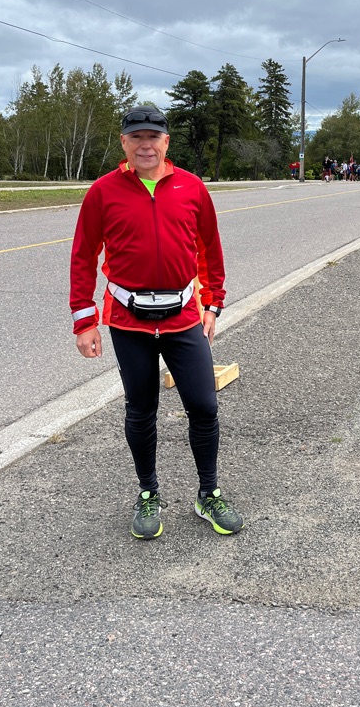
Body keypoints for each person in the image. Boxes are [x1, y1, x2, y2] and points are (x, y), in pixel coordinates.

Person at [69, 106, 243, 541]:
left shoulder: (192, 187)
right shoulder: (103, 192)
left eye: (153, 137)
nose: (145, 145)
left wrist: (213, 304)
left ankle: (208, 493)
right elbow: (83, 256)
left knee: (203, 406)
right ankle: (148, 493)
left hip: (183, 318)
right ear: (124, 142)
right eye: (136, 137)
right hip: (129, 322)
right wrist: (85, 320)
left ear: (166, 142)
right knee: (141, 409)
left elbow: (210, 248)